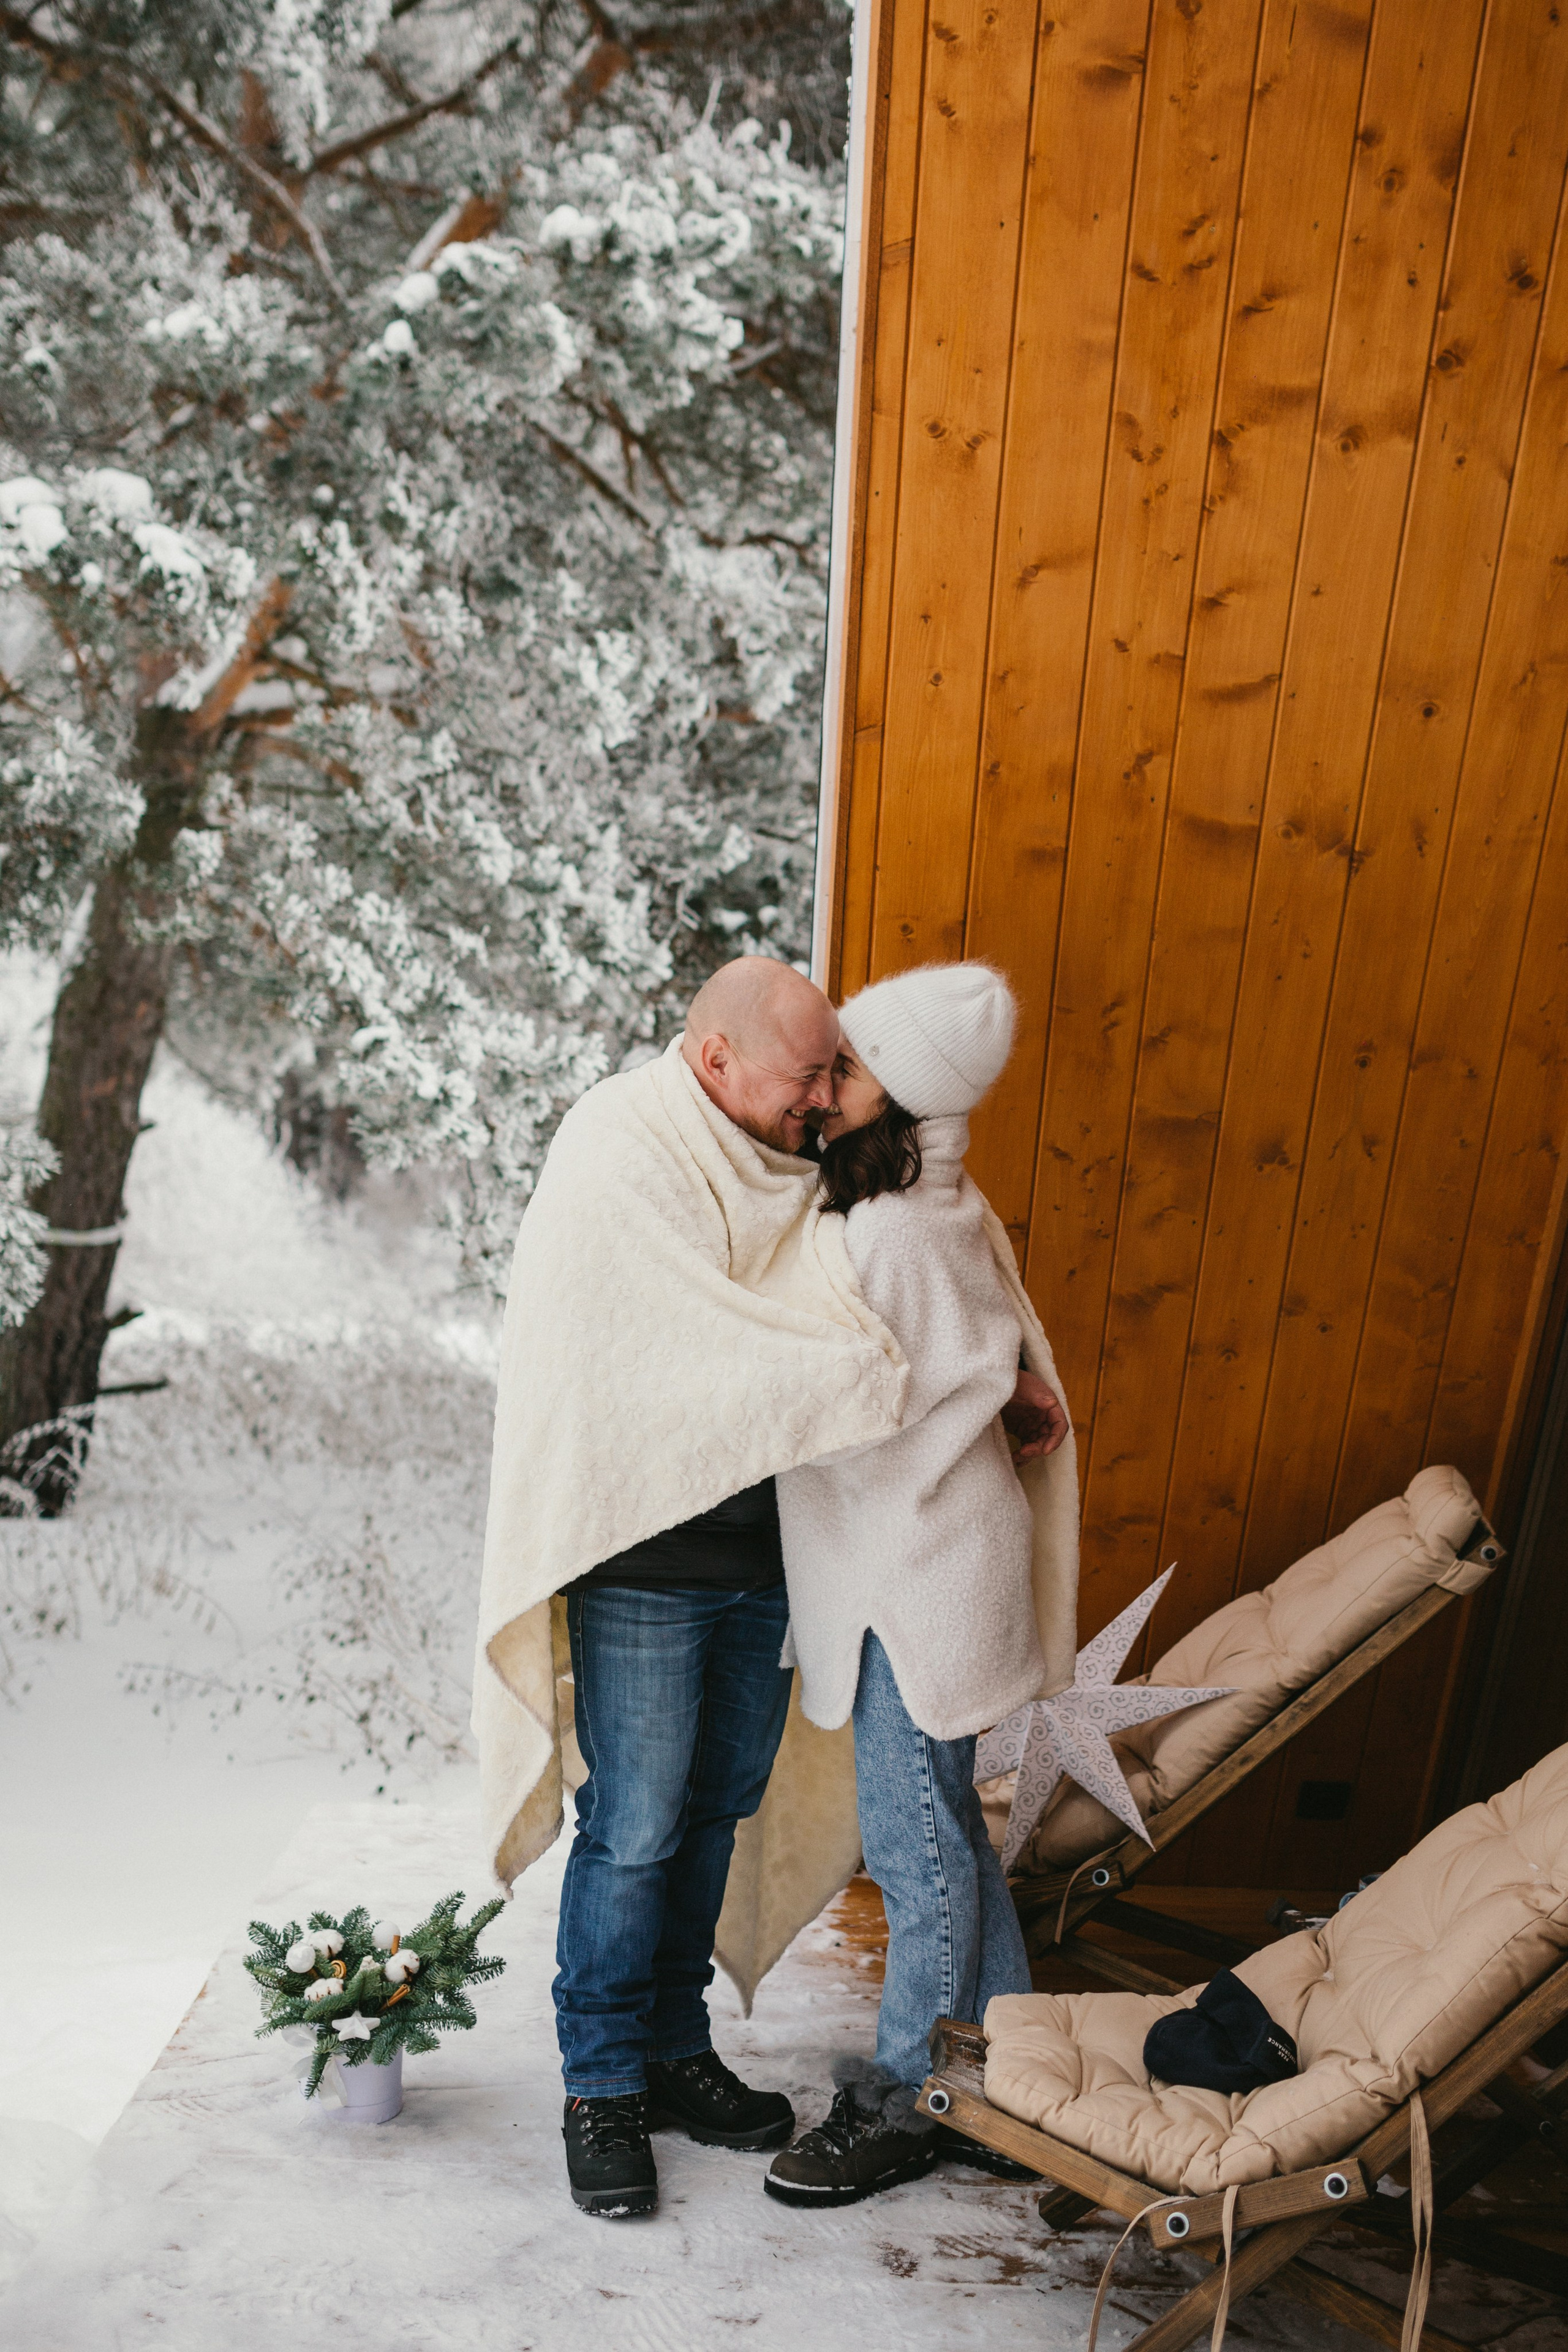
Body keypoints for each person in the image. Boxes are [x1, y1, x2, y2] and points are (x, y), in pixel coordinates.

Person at [473, 954, 1067, 2223]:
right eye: (806, 1074)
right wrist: (940, 1388)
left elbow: (886, 1301)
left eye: (833, 1074)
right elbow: (688, 1345)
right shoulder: (618, 1149)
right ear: (714, 1059)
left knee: (714, 1814)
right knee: (633, 1824)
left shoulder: (817, 1163)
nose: (817, 1100)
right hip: (646, 1560)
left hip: (774, 1563)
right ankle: (601, 2084)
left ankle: (676, 2050)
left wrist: (979, 1375)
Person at [764, 962, 1074, 2208]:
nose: (823, 1083)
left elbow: (844, 1408)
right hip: (950, 1554)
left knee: (913, 1847)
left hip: (914, 1577)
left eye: (845, 1067)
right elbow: (974, 1351)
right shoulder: (942, 1202)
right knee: (944, 1832)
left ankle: (909, 2100)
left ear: (904, 1096)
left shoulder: (877, 1233)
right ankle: (1010, 2066)